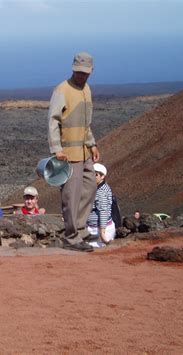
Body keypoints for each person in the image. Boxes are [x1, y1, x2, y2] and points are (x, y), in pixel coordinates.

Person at [48, 52, 100, 252]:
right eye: (78, 72)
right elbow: (53, 121)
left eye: (85, 73)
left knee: (90, 188)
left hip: (84, 152)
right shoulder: (62, 90)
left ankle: (80, 228)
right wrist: (56, 149)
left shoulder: (87, 89)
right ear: (72, 69)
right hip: (68, 155)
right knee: (71, 195)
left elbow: (86, 123)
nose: (81, 76)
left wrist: (92, 144)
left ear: (91, 72)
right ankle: (71, 237)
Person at [86, 163, 115, 248]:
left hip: (98, 229)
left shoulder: (101, 191)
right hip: (94, 227)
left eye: (96, 174)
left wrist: (102, 233)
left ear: (102, 176)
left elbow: (103, 211)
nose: (93, 176)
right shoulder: (99, 188)